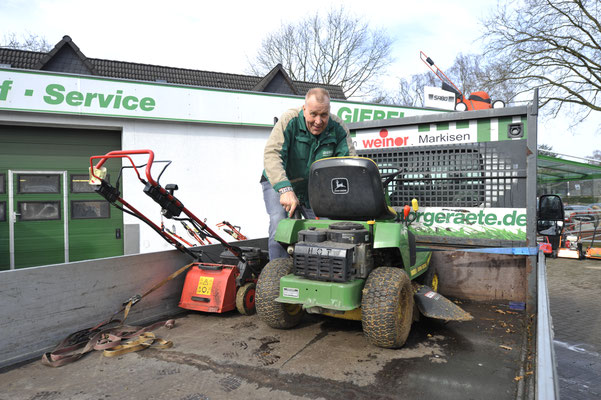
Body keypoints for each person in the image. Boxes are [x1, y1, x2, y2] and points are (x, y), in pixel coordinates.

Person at [261, 87, 356, 260]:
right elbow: (272, 155)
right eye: (313, 114)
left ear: (329, 112)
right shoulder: (289, 120)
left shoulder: (338, 128)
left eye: (324, 115)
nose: (318, 121)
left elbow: (349, 164)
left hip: (314, 188)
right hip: (280, 181)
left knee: (329, 226)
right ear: (304, 109)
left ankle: (322, 272)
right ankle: (276, 276)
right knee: (280, 224)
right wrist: (285, 189)